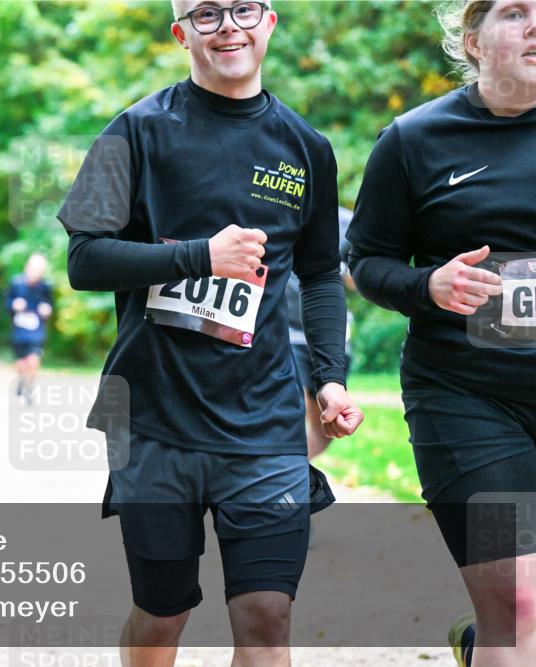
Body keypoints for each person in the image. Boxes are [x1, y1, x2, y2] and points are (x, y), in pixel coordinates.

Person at [58, 2, 364, 666]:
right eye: (205, 13)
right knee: (163, 612)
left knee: (266, 618)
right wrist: (200, 256)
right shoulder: (134, 131)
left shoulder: (307, 147)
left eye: (243, 8)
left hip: (263, 422)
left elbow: (318, 274)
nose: (228, 25)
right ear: (181, 34)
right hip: (155, 416)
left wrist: (330, 378)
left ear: (269, 22)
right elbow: (84, 260)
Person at [346, 2, 536, 665]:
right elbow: (366, 261)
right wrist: (428, 285)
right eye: (515, 12)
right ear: (474, 40)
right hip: (467, 400)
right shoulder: (415, 139)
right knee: (517, 605)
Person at [285, 206, 356, 458]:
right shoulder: (280, 208)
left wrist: (339, 270)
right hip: (286, 330)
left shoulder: (349, 223)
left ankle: (290, 469)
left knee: (324, 431)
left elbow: (360, 278)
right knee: (293, 409)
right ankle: (281, 470)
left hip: (328, 334)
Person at [6, 253, 53, 403]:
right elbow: (6, 304)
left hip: (36, 330)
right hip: (19, 330)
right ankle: (22, 379)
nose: (35, 274)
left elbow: (50, 304)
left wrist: (47, 309)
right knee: (21, 364)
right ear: (27, 267)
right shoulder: (15, 283)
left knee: (33, 360)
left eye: (39, 271)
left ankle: (28, 389)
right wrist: (14, 305)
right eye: (33, 269)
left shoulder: (46, 286)